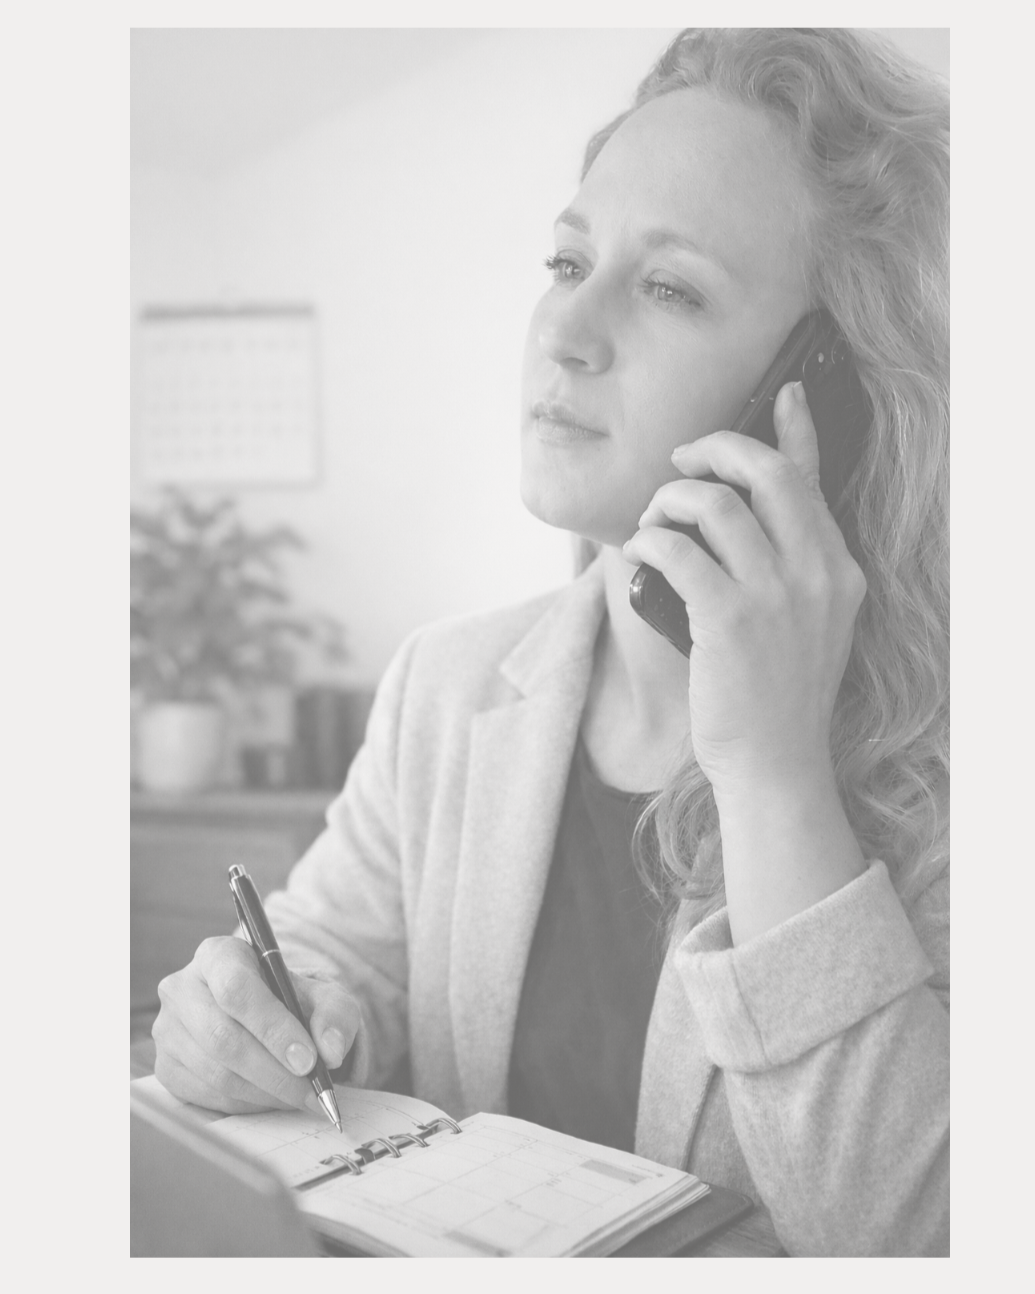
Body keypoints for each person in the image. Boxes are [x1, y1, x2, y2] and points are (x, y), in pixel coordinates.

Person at [151, 28, 949, 1256]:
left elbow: (917, 1236)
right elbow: (322, 957)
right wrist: (251, 1013)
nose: (565, 329)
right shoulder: (445, 684)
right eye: (567, 258)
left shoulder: (956, 771)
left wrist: (778, 776)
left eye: (671, 286)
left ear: (826, 388)